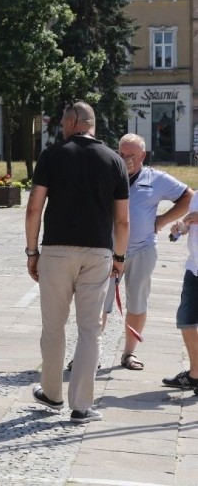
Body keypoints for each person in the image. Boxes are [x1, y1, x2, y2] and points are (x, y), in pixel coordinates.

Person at [25, 101, 129, 424]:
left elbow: (33, 208)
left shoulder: (52, 155)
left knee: (53, 326)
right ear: (92, 124)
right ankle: (82, 406)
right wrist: (120, 258)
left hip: (56, 250)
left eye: (62, 122)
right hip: (98, 252)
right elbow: (122, 221)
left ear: (72, 122)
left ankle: (53, 394)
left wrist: (32, 252)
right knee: (90, 329)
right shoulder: (114, 160)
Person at [100, 134, 192, 371]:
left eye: (131, 155)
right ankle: (91, 352)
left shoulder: (155, 178)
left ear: (142, 156)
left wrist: (161, 220)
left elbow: (187, 196)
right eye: (121, 154)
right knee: (97, 304)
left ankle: (129, 353)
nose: (126, 159)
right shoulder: (106, 173)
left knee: (137, 302)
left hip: (141, 249)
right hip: (107, 252)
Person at [163, 200, 198, 390]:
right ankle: (195, 374)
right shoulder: (197, 196)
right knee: (185, 320)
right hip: (194, 268)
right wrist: (179, 230)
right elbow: (190, 228)